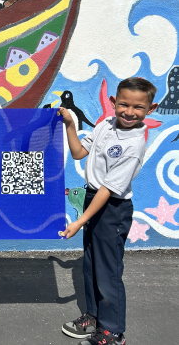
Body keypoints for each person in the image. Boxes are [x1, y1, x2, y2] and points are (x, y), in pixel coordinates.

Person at [59, 77, 158, 345]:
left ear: (150, 109)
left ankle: (112, 332)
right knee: (91, 265)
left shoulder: (134, 145)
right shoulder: (105, 125)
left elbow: (107, 189)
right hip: (94, 199)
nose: (129, 111)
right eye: (124, 104)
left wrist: (80, 220)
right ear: (114, 103)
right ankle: (93, 316)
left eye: (138, 107)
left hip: (112, 208)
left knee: (109, 272)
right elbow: (79, 152)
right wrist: (70, 125)